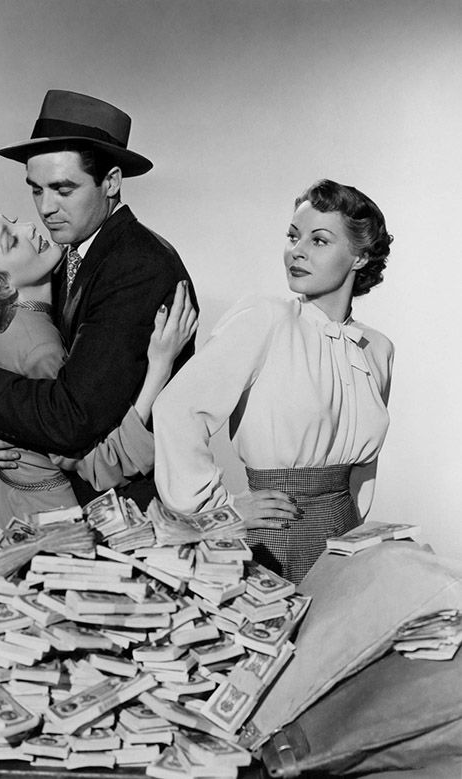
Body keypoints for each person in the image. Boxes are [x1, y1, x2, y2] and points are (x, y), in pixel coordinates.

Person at [0, 90, 197, 511]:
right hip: (70, 504)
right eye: (37, 190)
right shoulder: (65, 255)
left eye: (63, 189)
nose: (46, 208)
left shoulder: (138, 266)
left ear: (112, 182)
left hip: (126, 513)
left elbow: (70, 420)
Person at [153, 179, 394, 584]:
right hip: (275, 534)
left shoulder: (376, 348)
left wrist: (350, 518)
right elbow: (176, 410)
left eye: (319, 240)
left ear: (360, 256)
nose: (297, 250)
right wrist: (220, 510)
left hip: (345, 537)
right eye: (293, 236)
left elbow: (363, 470)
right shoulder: (266, 318)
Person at [0, 206, 197, 539]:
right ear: (1, 284)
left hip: (8, 504)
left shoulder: (0, 323)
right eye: (11, 240)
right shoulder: (39, 347)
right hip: (49, 521)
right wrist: (160, 367)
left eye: (13, 222)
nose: (29, 227)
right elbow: (103, 466)